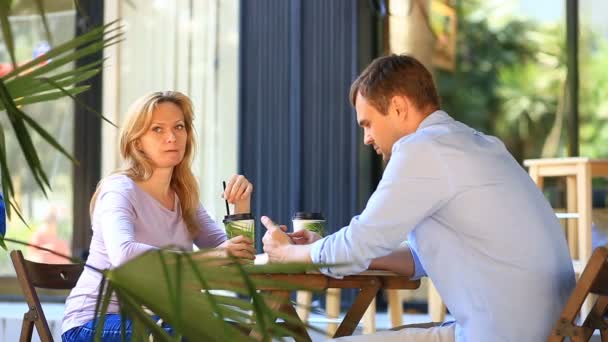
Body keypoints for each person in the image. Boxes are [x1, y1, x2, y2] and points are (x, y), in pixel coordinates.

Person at [261, 54, 576, 342]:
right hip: (534, 329)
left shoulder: (422, 149)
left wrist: (286, 254)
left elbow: (357, 245)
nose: (367, 138)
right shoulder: (478, 144)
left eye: (368, 123)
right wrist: (318, 248)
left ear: (398, 107)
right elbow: (421, 256)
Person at [61, 91, 255, 341]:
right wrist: (215, 256)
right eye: (157, 129)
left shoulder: (183, 195)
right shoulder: (119, 190)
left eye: (179, 127)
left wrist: (241, 207)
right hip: (93, 323)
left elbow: (234, 257)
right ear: (137, 141)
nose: (172, 137)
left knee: (244, 333)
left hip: (164, 319)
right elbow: (125, 254)